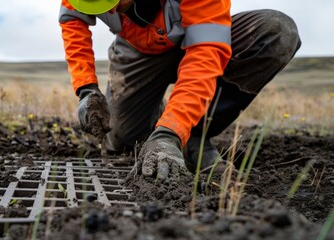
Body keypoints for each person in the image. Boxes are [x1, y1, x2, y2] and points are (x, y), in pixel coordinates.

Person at [58, 0, 301, 180]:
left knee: (277, 33)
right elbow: (72, 21)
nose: (108, 12)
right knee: (121, 140)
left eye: (112, 3)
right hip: (138, 50)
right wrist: (86, 87)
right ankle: (157, 116)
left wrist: (172, 132)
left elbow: (204, 59)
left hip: (200, 39)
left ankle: (193, 135)